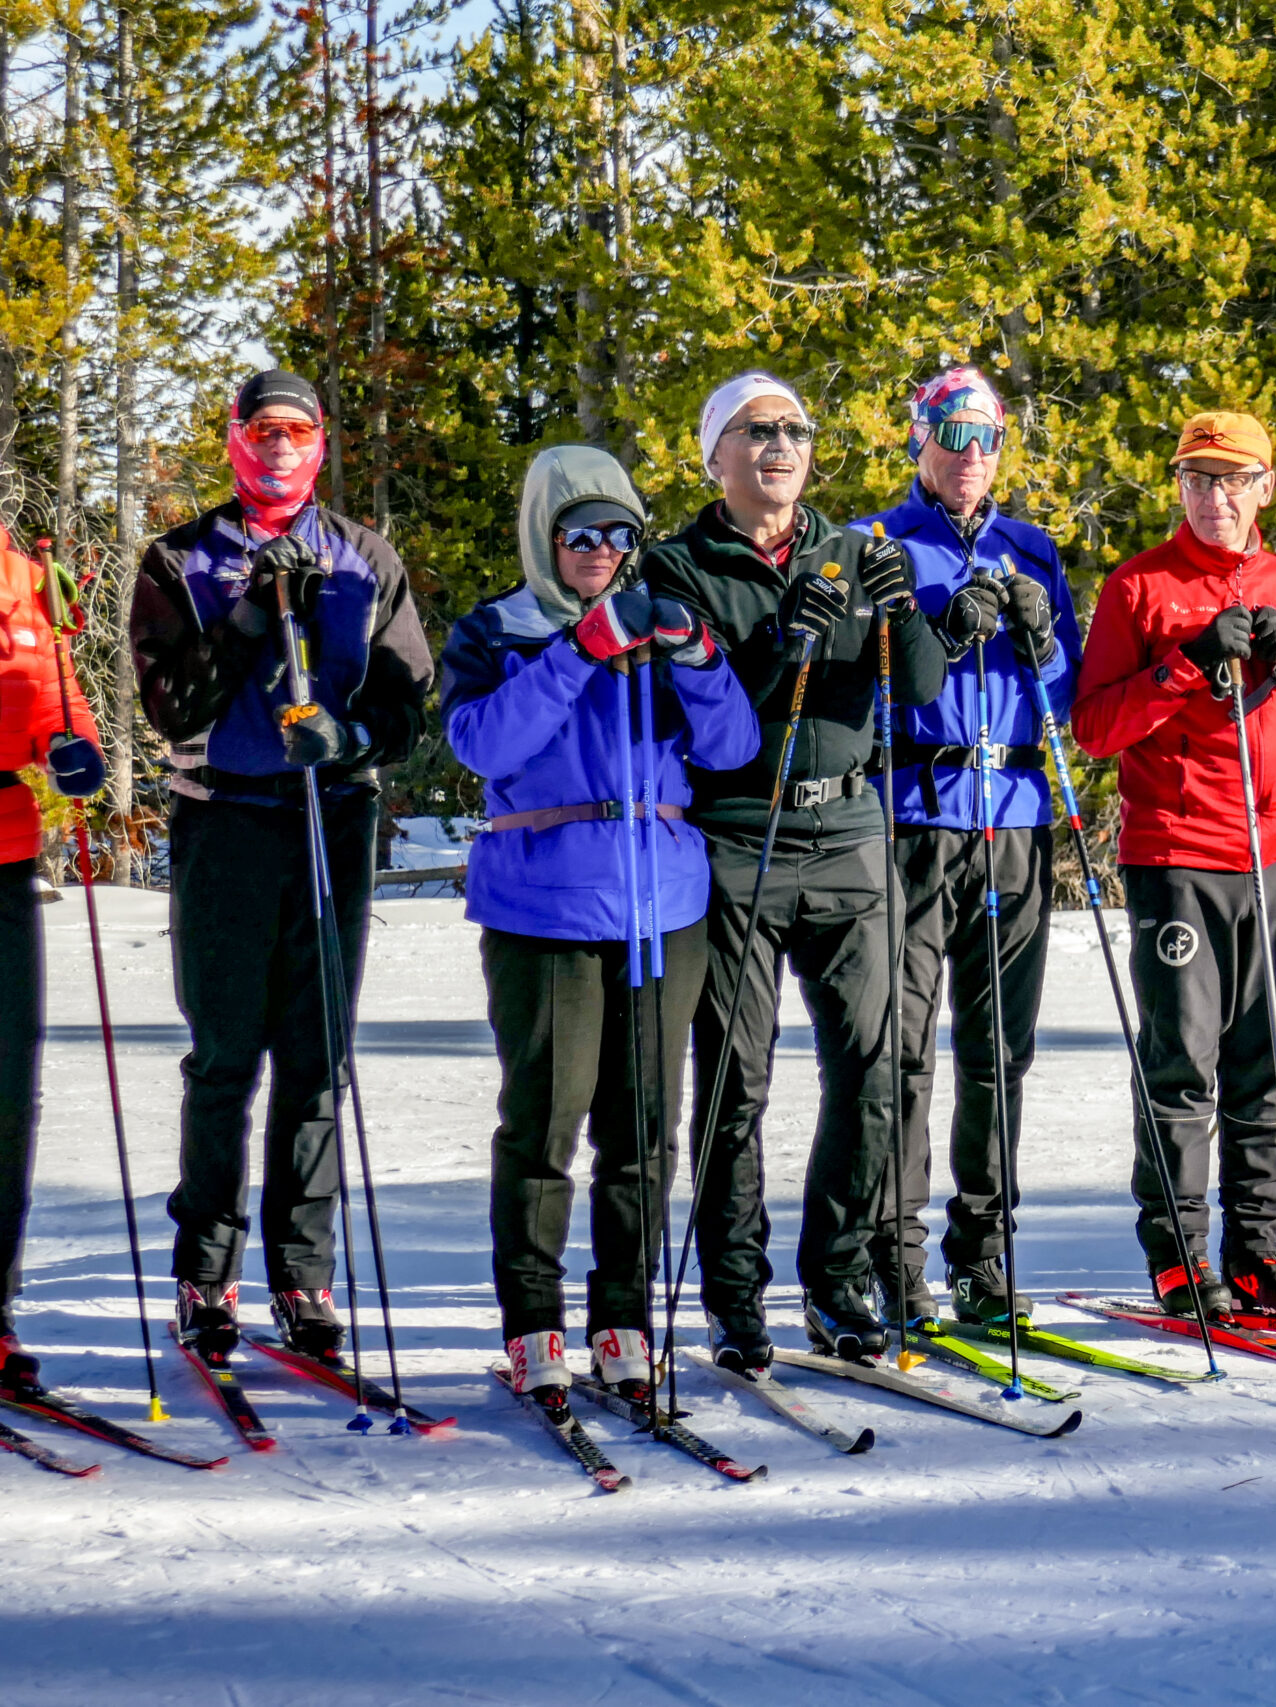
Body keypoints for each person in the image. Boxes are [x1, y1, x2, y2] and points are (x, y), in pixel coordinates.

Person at [129, 369, 433, 1361]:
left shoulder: (362, 557)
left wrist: (346, 741)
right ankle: (204, 1274)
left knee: (316, 1062)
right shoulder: (181, 560)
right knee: (225, 1057)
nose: (279, 448)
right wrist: (252, 619)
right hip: (224, 824)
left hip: (328, 820)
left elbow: (404, 704)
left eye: (297, 432)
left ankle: (303, 1278)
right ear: (233, 440)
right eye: (262, 430)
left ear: (321, 444)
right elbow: (170, 708)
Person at [643, 372, 946, 1368]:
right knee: (737, 1079)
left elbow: (926, 691)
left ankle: (840, 1278)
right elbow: (710, 722)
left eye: (794, 430)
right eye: (754, 431)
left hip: (851, 832)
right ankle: (736, 1292)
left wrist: (905, 618)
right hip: (739, 837)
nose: (779, 445)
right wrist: (785, 648)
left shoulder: (860, 552)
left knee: (872, 1068)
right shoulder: (679, 567)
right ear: (713, 456)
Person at [445, 446, 756, 1401]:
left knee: (644, 1128)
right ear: (546, 534)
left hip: (663, 907)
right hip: (544, 907)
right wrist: (578, 650)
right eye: (580, 533)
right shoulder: (499, 628)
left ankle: (622, 1314)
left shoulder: (664, 618)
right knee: (544, 1120)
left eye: (619, 533)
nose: (601, 551)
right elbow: (483, 742)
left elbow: (734, 745)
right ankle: (531, 1323)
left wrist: (697, 657)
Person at [1070, 410, 1276, 1317]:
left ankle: (1257, 1250)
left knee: (1270, 1060)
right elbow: (1094, 727)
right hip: (1179, 854)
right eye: (1198, 479)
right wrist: (1186, 666)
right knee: (1182, 1062)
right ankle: (1179, 1251)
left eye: (1233, 480)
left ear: (1266, 486)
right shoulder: (1139, 586)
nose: (1215, 497)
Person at [857, 366, 1082, 1329]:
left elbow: (1069, 692)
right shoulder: (879, 543)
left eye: (986, 438)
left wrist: (1041, 638)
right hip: (916, 811)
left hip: (1015, 817)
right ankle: (894, 1253)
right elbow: (856, 687)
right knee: (901, 1047)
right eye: (951, 435)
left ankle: (982, 1251)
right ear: (919, 441)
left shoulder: (1031, 548)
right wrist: (940, 635)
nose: (970, 456)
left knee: (999, 1049)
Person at [0, 528, 103, 1395]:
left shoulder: (25, 577)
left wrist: (71, 742)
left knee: (6, 1090)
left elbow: (54, 694)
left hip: (6, 856)